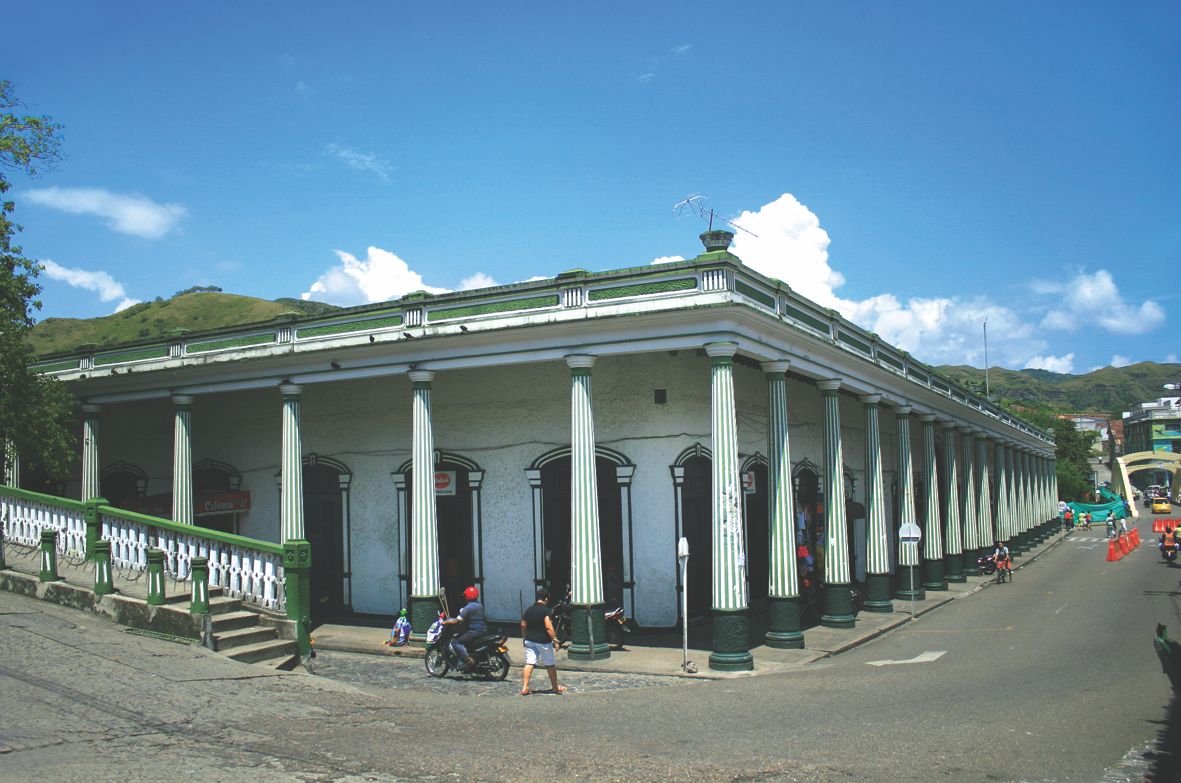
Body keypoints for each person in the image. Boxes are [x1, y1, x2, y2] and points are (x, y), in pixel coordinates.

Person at [519, 587, 565, 696]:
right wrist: (555, 640)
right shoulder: (546, 610)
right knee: (550, 665)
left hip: (530, 640)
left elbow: (523, 624)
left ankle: (525, 687)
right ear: (545, 599)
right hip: (543, 641)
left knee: (530, 663)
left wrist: (524, 636)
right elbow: (548, 626)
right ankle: (555, 687)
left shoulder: (529, 609)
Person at [443, 585, 486, 670]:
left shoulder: (468, 608)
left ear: (468, 596)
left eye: (465, 596)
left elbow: (457, 620)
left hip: (474, 631)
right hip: (482, 630)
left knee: (455, 642)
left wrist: (446, 622)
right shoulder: (479, 605)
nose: (465, 597)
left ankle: (467, 659)